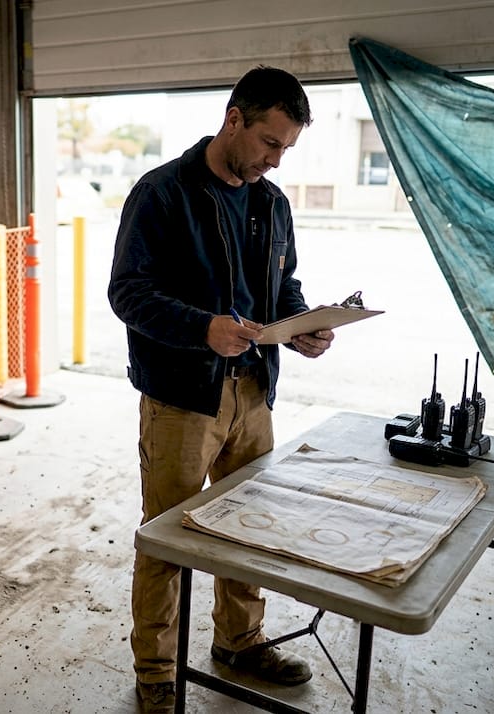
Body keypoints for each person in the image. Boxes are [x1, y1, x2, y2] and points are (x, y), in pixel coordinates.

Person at [107, 65, 334, 713]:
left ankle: (240, 640)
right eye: (270, 142)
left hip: (254, 391)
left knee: (249, 529)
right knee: (168, 538)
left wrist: (302, 326)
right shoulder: (163, 194)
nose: (276, 159)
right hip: (183, 397)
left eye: (287, 147)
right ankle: (156, 669)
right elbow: (128, 293)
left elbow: (281, 289)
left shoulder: (271, 203)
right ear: (234, 118)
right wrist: (201, 329)